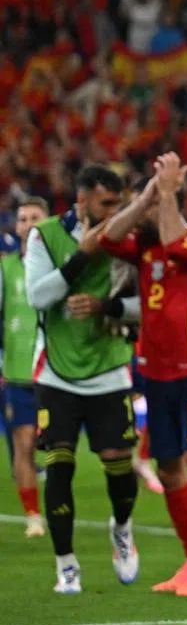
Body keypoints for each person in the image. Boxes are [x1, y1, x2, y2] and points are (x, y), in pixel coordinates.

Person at [102, 152, 187, 598]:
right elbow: (105, 237)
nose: (145, 215)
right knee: (169, 469)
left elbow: (177, 242)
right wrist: (148, 196)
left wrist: (168, 193)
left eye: (154, 204)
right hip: (156, 375)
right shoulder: (143, 247)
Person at [25, 166, 140, 594]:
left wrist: (107, 308)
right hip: (56, 371)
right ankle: (66, 563)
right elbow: (36, 296)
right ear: (82, 202)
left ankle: (122, 528)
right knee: (59, 464)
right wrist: (83, 255)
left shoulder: (130, 240)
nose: (116, 212)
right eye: (107, 204)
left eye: (119, 203)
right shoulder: (46, 235)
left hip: (109, 367)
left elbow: (147, 305)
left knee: (119, 465)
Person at [2, 198, 48, 538]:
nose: (29, 223)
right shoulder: (5, 270)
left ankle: (58, 506)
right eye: (23, 219)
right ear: (15, 226)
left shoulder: (59, 264)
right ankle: (33, 515)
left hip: (56, 371)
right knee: (24, 443)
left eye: (35, 218)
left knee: (59, 449)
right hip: (18, 372)